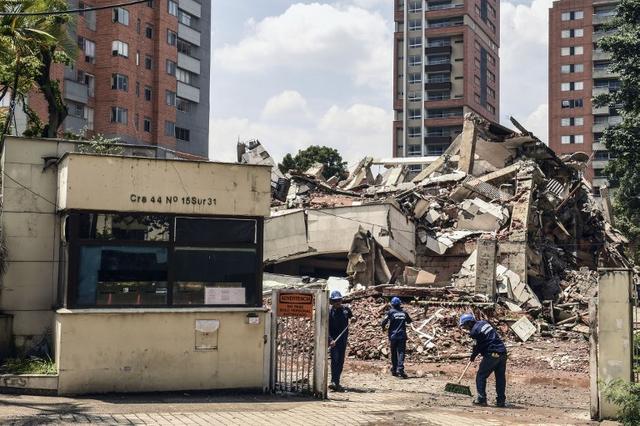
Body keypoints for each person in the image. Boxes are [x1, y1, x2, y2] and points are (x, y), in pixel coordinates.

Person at [459, 313, 508, 407]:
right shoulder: (483, 322)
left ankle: (481, 399)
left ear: (469, 323)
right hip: (503, 353)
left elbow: (477, 346)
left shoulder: (474, 331)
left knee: (481, 376)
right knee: (500, 378)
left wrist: (473, 356)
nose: (466, 328)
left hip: (492, 354)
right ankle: (501, 401)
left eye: (465, 326)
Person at [381, 297, 412, 379]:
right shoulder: (404, 312)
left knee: (394, 352)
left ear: (392, 304)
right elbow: (409, 321)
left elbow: (383, 322)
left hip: (393, 336)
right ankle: (400, 369)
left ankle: (394, 369)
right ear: (400, 304)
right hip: (402, 336)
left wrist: (383, 328)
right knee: (401, 352)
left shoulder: (390, 312)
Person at [328, 290, 353, 391]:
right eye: (335, 300)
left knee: (340, 362)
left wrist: (353, 319)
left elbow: (352, 317)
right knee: (335, 360)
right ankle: (334, 381)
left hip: (343, 340)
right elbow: (327, 328)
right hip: (334, 341)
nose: (338, 302)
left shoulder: (346, 310)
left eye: (339, 300)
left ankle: (336, 381)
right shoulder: (330, 312)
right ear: (332, 302)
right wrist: (330, 340)